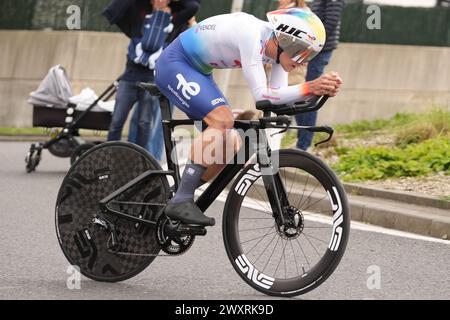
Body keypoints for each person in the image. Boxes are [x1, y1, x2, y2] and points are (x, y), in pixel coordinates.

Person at [155, 8, 343, 226]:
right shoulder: (252, 35)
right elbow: (262, 96)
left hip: (198, 71)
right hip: (175, 63)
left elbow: (277, 98)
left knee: (232, 144)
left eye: (309, 56)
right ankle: (181, 200)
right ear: (286, 40)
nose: (303, 62)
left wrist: (320, 91)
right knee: (222, 121)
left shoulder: (277, 52)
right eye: (302, 53)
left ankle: (172, 195)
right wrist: (311, 86)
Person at [127, 0, 201, 160]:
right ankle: (133, 154)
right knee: (141, 118)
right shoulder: (156, 15)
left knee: (161, 120)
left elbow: (193, 9)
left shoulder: (184, 17)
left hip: (174, 76)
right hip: (153, 73)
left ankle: (152, 158)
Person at [105, 0, 172, 149]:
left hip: (150, 80)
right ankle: (109, 153)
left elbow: (192, 7)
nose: (161, 1)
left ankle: (141, 157)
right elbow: (115, 10)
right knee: (117, 120)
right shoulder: (140, 16)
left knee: (145, 122)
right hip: (129, 78)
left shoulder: (172, 24)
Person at [295, 0, 346, 151]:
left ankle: (304, 146)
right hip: (313, 48)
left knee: (311, 94)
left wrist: (314, 44)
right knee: (303, 94)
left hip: (319, 49)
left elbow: (331, 21)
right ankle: (302, 142)